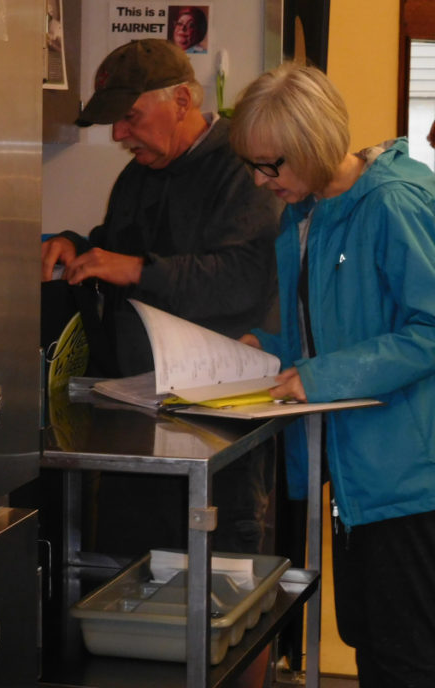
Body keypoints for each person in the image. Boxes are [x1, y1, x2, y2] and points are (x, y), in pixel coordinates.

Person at [41, 39, 281, 685]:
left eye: (131, 117)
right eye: (113, 122)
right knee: (129, 576)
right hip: (135, 421)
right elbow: (114, 251)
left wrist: (138, 269)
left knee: (229, 586)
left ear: (184, 100)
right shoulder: (135, 178)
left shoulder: (240, 167)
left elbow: (245, 280)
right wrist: (76, 244)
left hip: (219, 420)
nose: (120, 134)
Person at [230, 62, 435, 687]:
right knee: (371, 643)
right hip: (355, 480)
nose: (263, 182)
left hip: (408, 483)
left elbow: (429, 329)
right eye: (254, 166)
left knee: (406, 660)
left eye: (273, 165)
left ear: (315, 145)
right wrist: (259, 353)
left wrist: (320, 378)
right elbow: (323, 335)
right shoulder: (306, 214)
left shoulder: (393, 201)